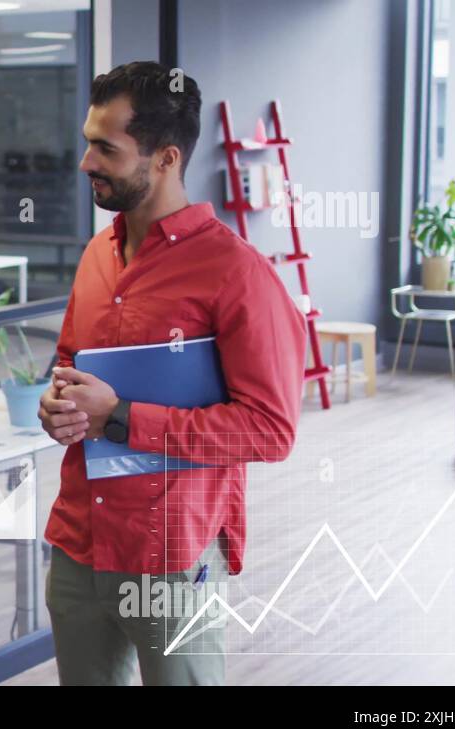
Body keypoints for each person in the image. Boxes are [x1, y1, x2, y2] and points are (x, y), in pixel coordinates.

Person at [38, 61, 306, 685]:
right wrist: (62, 406)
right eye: (87, 142)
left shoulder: (236, 272)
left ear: (164, 158)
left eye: (105, 148)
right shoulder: (95, 256)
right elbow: (70, 366)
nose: (86, 162)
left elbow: (271, 430)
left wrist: (123, 418)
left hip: (171, 556)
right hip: (79, 542)